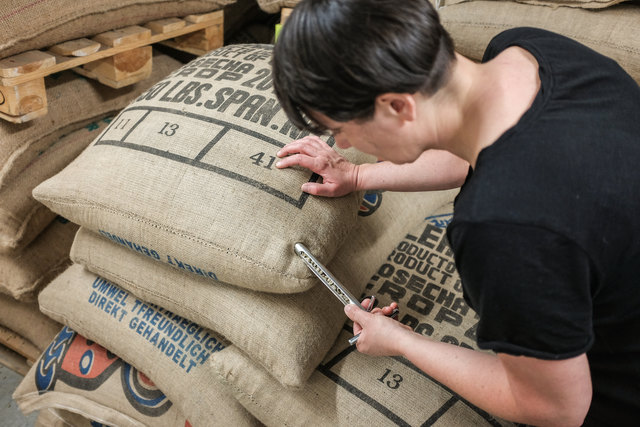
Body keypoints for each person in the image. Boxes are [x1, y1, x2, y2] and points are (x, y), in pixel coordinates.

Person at [271, 0, 640, 425]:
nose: (346, 145)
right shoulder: (535, 53)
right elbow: (477, 152)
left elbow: (557, 408)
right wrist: (356, 176)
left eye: (340, 129)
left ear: (397, 106)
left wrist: (403, 343)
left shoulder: (501, 228)